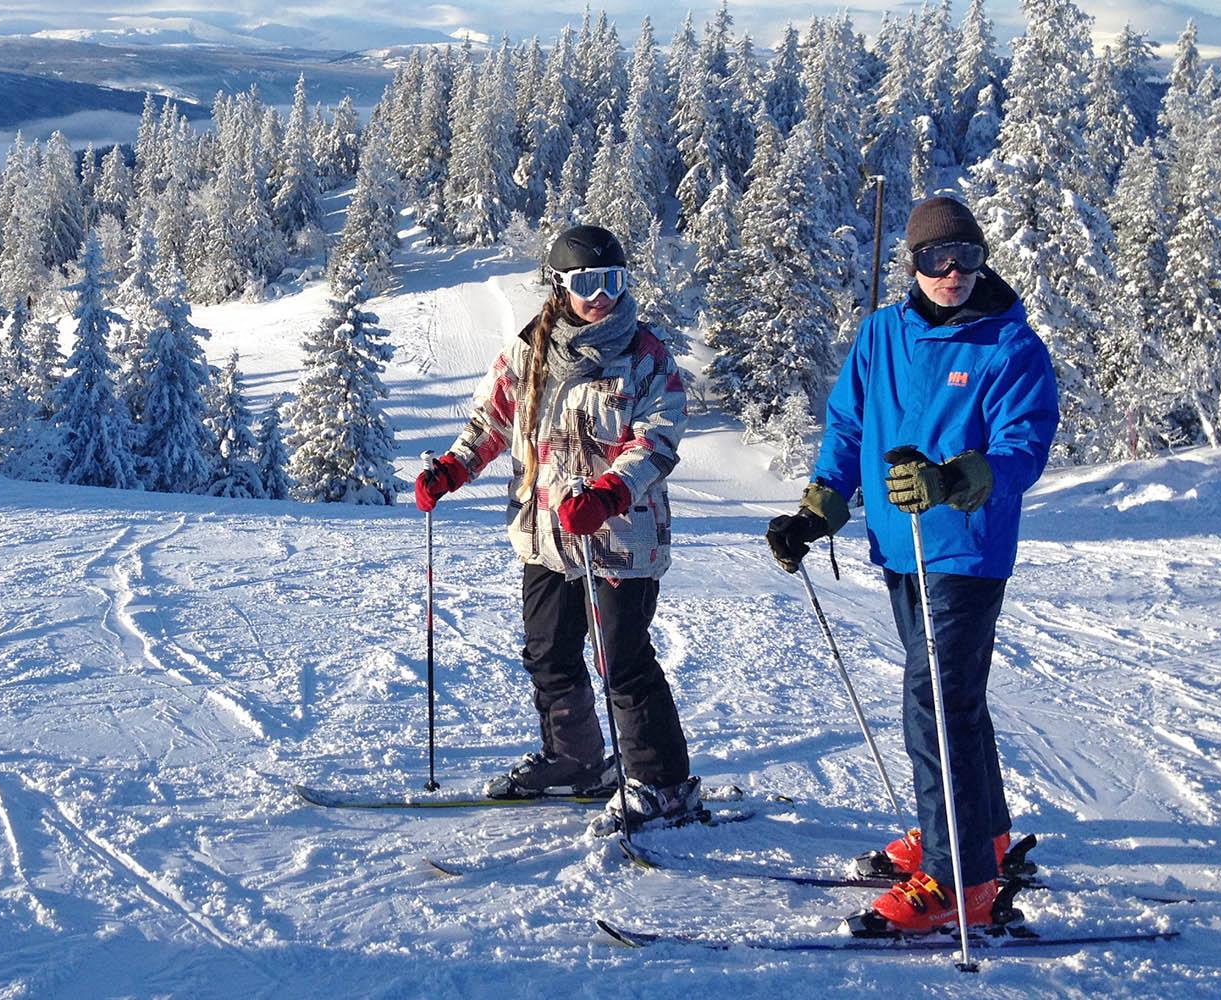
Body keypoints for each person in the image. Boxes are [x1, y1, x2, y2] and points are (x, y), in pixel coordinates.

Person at [766, 196, 1059, 934]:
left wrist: (957, 478)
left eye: (967, 257)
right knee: (954, 700)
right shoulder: (882, 336)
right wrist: (819, 507)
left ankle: (959, 878)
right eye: (936, 259)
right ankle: (980, 837)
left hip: (965, 550)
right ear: (914, 264)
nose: (954, 273)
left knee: (936, 706)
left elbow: (1023, 446)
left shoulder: (1009, 347)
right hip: (901, 548)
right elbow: (847, 424)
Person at [416, 224, 700, 834]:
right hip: (546, 534)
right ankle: (575, 760)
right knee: (549, 653)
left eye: (613, 282)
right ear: (558, 285)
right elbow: (491, 421)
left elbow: (659, 439)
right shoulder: (530, 351)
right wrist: (451, 469)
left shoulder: (646, 357)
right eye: (586, 283)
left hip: (619, 539)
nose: (601, 296)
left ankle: (664, 784)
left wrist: (610, 492)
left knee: (621, 660)